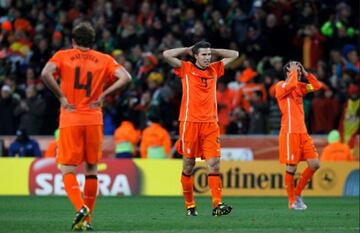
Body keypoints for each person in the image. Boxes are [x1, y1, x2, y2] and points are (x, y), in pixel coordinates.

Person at [41, 22, 132, 231]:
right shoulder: (104, 59)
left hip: (71, 117)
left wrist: (62, 97)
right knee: (91, 168)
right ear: (93, 41)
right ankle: (87, 220)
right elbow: (126, 77)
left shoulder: (63, 56)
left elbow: (46, 73)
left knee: (67, 168)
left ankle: (80, 208)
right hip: (94, 118)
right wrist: (104, 95)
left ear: (73, 40)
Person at [163, 41, 238, 216]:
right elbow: (167, 54)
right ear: (195, 56)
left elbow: (234, 54)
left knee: (214, 164)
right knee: (188, 165)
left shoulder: (215, 69)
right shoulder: (186, 68)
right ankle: (190, 205)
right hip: (190, 123)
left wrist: (214, 50)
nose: (207, 57)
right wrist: (187, 50)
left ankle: (217, 204)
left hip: (211, 124)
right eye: (203, 54)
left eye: (208, 54)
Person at [274, 61, 322, 210]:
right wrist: (295, 72)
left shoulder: (300, 87)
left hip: (303, 132)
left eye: (298, 70)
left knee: (315, 164)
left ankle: (298, 193)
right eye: (294, 70)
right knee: (292, 168)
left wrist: (307, 74)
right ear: (287, 73)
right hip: (289, 132)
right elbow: (291, 85)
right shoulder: (281, 86)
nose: (298, 72)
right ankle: (291, 201)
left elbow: (316, 86)